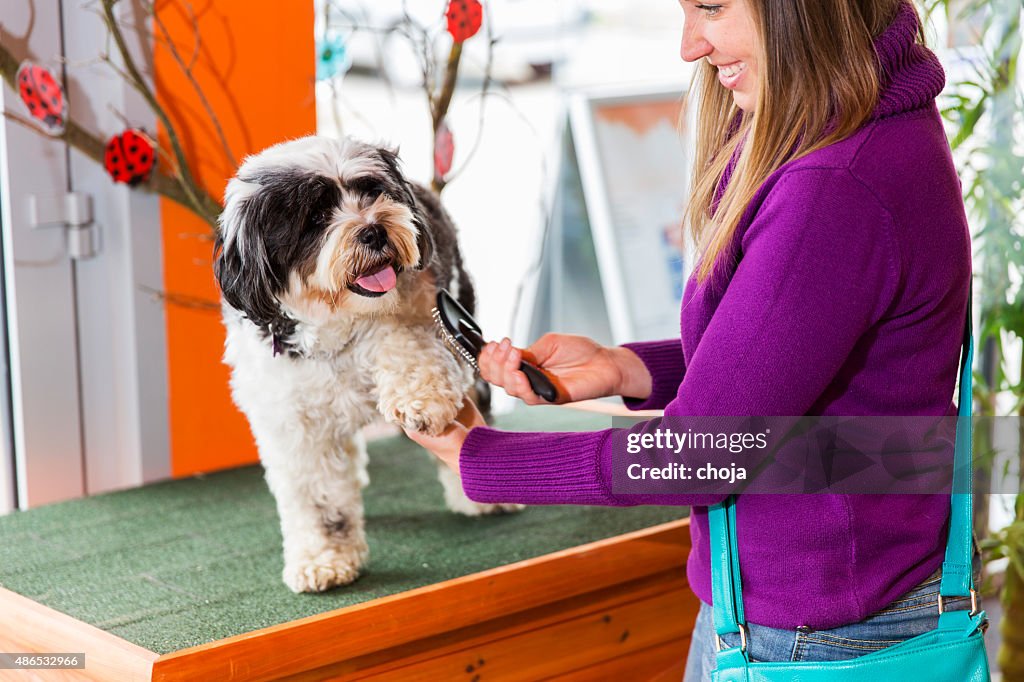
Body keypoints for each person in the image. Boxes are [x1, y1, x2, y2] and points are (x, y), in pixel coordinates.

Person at [405, 0, 980, 678]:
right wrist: (627, 369)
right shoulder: (878, 129)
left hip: (817, 636)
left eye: (711, 7)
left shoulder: (836, 182)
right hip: (841, 609)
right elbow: (805, 359)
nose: (689, 46)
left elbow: (706, 450)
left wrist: (481, 458)